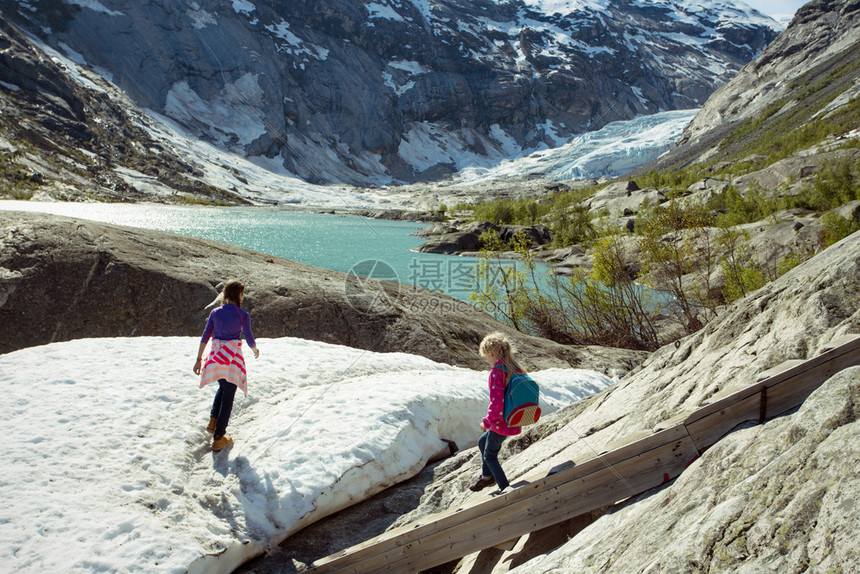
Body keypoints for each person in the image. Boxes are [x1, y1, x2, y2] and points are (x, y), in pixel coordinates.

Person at [193, 279, 259, 452]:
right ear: (238, 294)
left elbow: (205, 335)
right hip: (232, 360)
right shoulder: (242, 314)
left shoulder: (215, 312)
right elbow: (249, 337)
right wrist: (255, 349)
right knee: (229, 394)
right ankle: (219, 438)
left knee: (222, 387)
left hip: (216, 357)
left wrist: (199, 358)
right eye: (242, 293)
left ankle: (213, 422)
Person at [470, 332, 523, 493]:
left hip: (500, 423)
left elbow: (497, 404)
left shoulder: (496, 373)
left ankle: (505, 488)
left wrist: (487, 422)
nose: (487, 360)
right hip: (513, 418)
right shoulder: (515, 368)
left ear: (491, 353)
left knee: (489, 456)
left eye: (486, 356)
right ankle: (487, 477)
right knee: (482, 441)